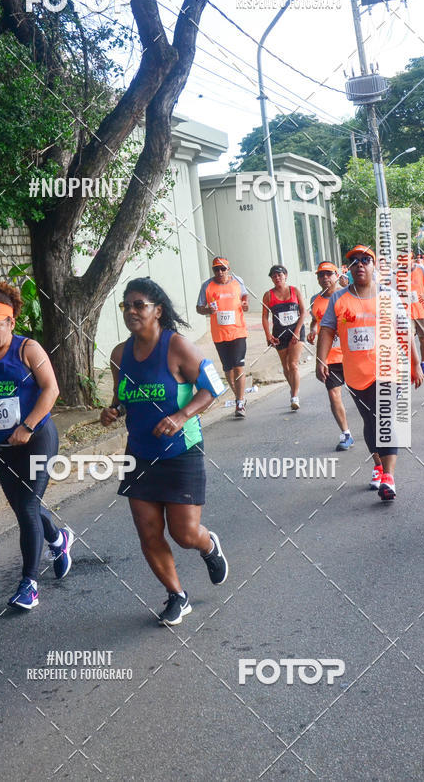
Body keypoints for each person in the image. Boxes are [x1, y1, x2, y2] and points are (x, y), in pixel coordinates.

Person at [102, 278, 228, 627]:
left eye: (138, 305)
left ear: (157, 310)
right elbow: (123, 397)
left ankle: (208, 546)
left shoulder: (178, 347)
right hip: (139, 454)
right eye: (126, 306)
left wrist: (180, 415)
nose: (130, 311)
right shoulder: (119, 354)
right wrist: (113, 411)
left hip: (181, 450)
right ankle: (177, 595)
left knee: (184, 533)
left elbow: (213, 387)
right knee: (148, 532)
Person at [0, 283, 72, 610]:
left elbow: (51, 390)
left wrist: (28, 426)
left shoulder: (28, 350)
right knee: (23, 509)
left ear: (11, 323)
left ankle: (29, 584)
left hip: (37, 438)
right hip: (0, 444)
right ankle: (59, 540)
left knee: (29, 507)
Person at [317, 245, 423, 502]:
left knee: (385, 417)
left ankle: (389, 476)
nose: (360, 264)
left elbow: (404, 330)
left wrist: (415, 363)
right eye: (354, 261)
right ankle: (378, 464)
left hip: (389, 368)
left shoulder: (388, 295)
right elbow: (328, 329)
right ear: (349, 269)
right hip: (356, 373)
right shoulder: (338, 299)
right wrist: (321, 358)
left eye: (366, 260)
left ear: (374, 265)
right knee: (370, 421)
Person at [307, 262, 354, 451]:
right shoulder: (314, 299)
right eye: (321, 275)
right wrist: (312, 330)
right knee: (334, 394)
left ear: (337, 275)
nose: (324, 278)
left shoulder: (350, 294)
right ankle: (346, 434)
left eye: (328, 274)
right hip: (330, 358)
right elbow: (314, 320)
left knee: (363, 396)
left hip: (352, 355)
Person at [196, 257, 249, 418]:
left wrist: (245, 304)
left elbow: (244, 297)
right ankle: (239, 396)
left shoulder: (237, 281)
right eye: (216, 269)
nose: (219, 272)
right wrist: (208, 311)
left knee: (238, 366)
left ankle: (239, 403)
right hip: (219, 334)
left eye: (222, 269)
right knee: (228, 369)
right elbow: (199, 308)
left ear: (228, 268)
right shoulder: (207, 285)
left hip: (238, 331)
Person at [262, 265, 306, 411]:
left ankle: (294, 396)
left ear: (285, 275)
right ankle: (293, 388)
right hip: (279, 333)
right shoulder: (268, 295)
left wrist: (298, 331)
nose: (277, 278)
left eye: (280, 275)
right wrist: (268, 335)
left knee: (293, 364)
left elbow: (304, 312)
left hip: (296, 330)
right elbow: (264, 316)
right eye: (274, 276)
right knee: (285, 365)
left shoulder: (295, 291)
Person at [410, 254, 424, 375]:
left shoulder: (421, 269)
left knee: (423, 339)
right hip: (406, 312)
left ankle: (423, 362)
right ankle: (414, 363)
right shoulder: (397, 273)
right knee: (409, 339)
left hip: (421, 310)